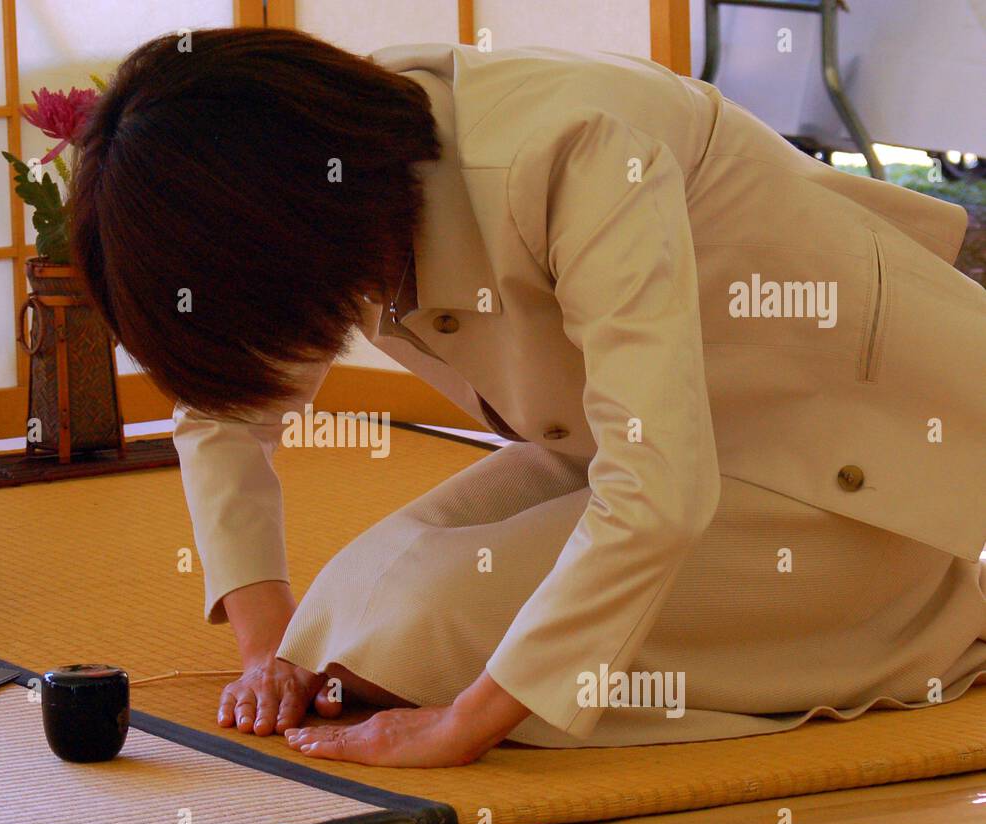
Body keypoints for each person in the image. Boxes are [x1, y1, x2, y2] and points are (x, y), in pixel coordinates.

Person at [71, 28, 986, 768]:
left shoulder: (572, 150)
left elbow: (657, 486)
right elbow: (222, 410)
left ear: (285, 238)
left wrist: (464, 724)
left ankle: (931, 619)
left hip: (842, 470)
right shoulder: (340, 159)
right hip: (640, 445)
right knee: (345, 616)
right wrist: (267, 653)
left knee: (425, 625)